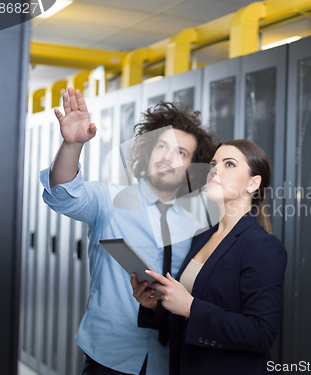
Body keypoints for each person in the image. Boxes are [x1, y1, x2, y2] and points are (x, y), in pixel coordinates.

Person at [40, 87, 217, 375]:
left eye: (181, 152)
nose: (168, 157)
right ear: (148, 152)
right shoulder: (109, 200)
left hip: (169, 360)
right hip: (109, 356)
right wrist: (72, 145)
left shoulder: (194, 226)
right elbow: (61, 194)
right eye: (162, 146)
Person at [131, 139, 287, 375]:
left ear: (253, 183)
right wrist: (154, 306)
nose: (215, 170)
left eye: (230, 164)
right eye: (214, 164)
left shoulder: (262, 246)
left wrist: (191, 308)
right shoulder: (202, 237)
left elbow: (261, 334)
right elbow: (187, 320)